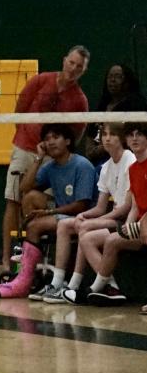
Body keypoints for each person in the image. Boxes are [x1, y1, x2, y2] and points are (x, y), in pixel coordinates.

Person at [0, 47, 89, 271]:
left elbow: (77, 133)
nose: (74, 68)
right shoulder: (41, 81)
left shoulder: (79, 100)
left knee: (37, 201)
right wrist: (25, 134)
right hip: (24, 146)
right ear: (64, 60)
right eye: (72, 62)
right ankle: (6, 258)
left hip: (50, 158)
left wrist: (52, 150)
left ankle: (36, 258)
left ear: (83, 71)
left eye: (79, 66)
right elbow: (20, 107)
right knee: (13, 200)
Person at [45, 124, 134, 305]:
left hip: (125, 218)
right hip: (113, 216)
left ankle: (74, 285)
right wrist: (85, 215)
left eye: (113, 135)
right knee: (66, 224)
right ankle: (58, 283)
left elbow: (126, 207)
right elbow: (100, 207)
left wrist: (95, 221)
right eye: (104, 135)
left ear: (122, 138)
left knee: (85, 228)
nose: (107, 139)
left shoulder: (129, 160)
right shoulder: (105, 167)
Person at [18, 124, 99, 302]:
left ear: (68, 141)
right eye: (47, 139)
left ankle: (27, 275)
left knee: (35, 225)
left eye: (55, 137)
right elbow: (24, 188)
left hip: (84, 217)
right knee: (31, 197)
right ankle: (34, 262)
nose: (50, 142)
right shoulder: (51, 167)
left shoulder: (81, 165)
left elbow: (81, 206)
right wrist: (39, 158)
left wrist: (50, 211)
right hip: (62, 216)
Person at [77, 123, 147, 304]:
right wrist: (128, 226)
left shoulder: (132, 162)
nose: (135, 139)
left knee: (111, 239)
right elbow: (134, 207)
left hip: (145, 225)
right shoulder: (134, 169)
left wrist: (139, 224)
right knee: (107, 239)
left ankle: (95, 287)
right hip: (138, 225)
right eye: (131, 135)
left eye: (139, 135)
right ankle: (105, 288)